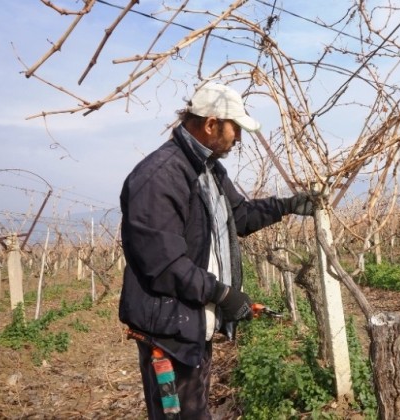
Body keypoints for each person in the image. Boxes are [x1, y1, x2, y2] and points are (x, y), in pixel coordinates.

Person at [118, 82, 314, 419]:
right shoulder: (160, 177)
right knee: (178, 416)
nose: (238, 138)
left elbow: (240, 216)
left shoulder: (207, 171)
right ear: (211, 124)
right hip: (166, 335)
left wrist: (289, 205)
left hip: (190, 322)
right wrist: (224, 295)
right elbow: (166, 267)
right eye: (234, 128)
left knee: (194, 411)